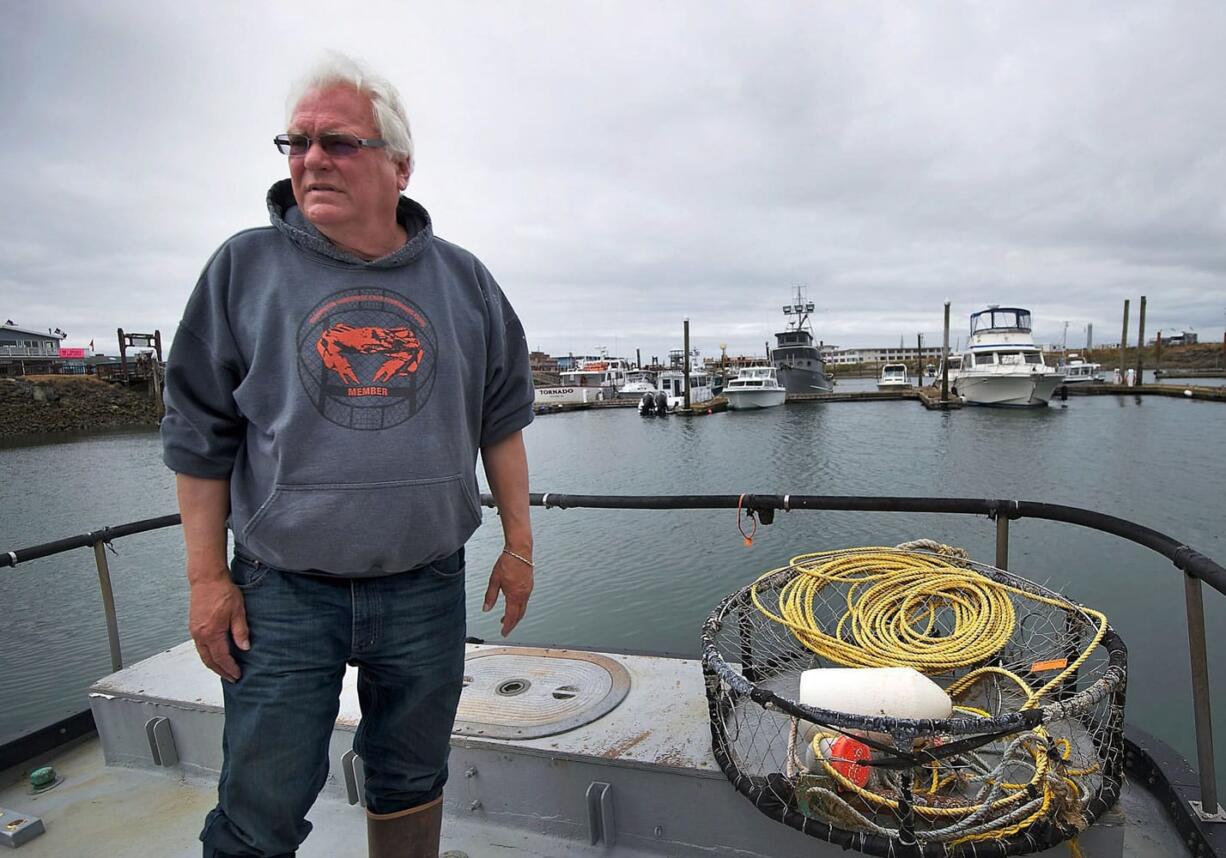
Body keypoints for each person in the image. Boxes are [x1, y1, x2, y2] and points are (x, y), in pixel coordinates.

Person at [161, 53, 536, 858]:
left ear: (399, 165)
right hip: (281, 596)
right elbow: (198, 437)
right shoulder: (243, 269)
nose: (311, 159)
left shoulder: (465, 282)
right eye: (296, 142)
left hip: (427, 585)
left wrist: (519, 547)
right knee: (259, 803)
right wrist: (206, 581)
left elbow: (500, 422)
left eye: (337, 142)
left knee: (412, 775)